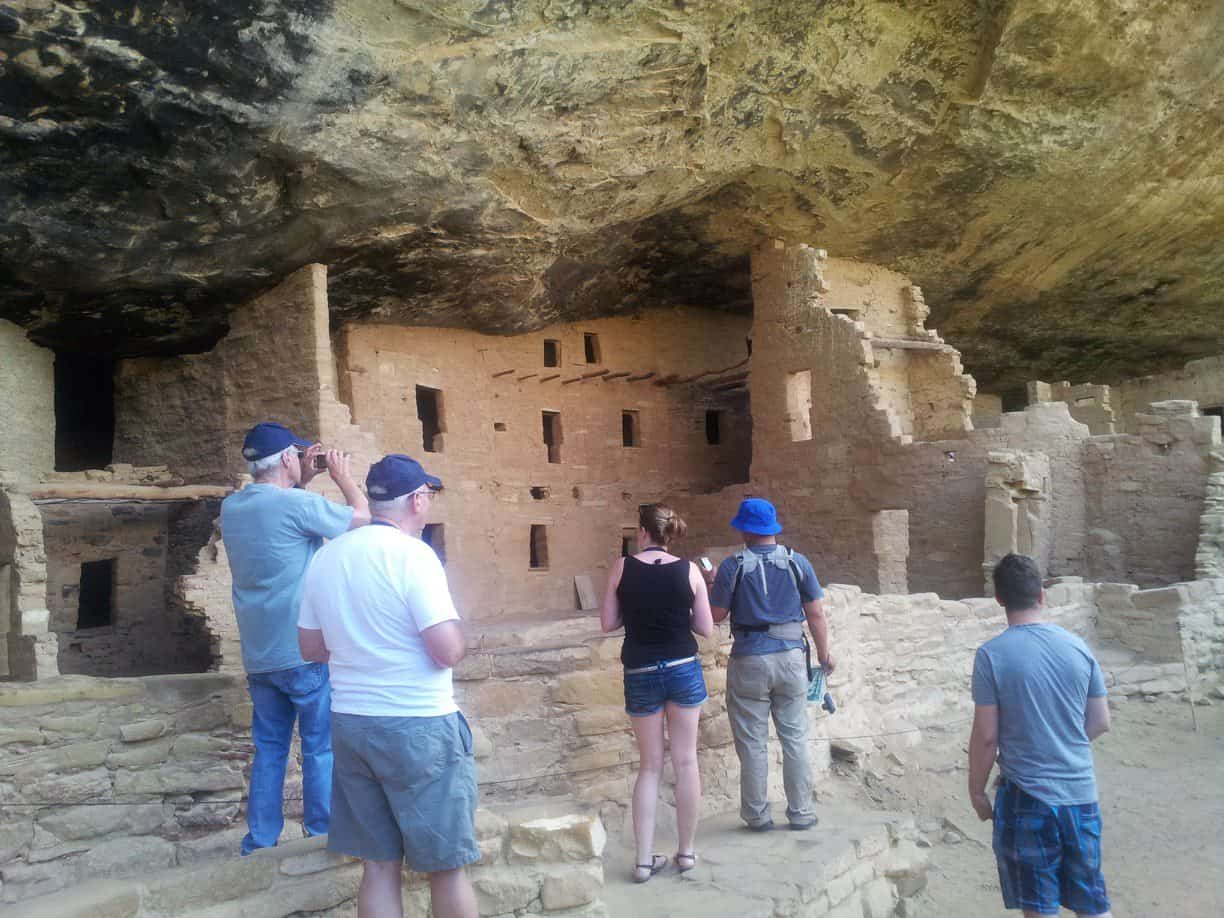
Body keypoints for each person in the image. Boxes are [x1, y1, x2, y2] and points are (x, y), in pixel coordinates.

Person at [298, 454, 478, 918]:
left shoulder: (326, 556)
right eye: (429, 496)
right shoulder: (414, 556)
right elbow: (447, 650)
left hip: (353, 722)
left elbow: (311, 648)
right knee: (447, 866)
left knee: (378, 866)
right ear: (417, 499)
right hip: (417, 724)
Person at [220, 421, 370, 855]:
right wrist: (342, 477)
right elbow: (361, 522)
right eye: (297, 455)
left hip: (259, 654)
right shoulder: (296, 505)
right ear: (287, 457)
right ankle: (319, 833)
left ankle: (260, 842)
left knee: (269, 750)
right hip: (302, 652)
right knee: (319, 747)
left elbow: (280, 504)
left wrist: (302, 474)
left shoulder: (232, 507)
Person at [969, 553, 1113, 918]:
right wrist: (1061, 745)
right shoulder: (1079, 648)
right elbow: (1100, 721)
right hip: (1080, 793)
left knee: (1040, 906)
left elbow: (987, 737)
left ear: (999, 599)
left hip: (1027, 798)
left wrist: (976, 791)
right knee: (1092, 902)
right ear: (1041, 595)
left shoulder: (992, 655)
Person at [600, 504, 714, 884]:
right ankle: (686, 853)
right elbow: (706, 629)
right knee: (685, 762)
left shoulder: (622, 567)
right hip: (682, 666)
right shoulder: (689, 570)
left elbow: (607, 622)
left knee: (649, 766)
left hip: (641, 668)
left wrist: (634, 610)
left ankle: (644, 861)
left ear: (642, 532)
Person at [705, 497, 833, 831]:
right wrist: (824, 654)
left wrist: (710, 588)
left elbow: (716, 615)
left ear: (746, 529)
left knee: (752, 743)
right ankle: (802, 812)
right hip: (791, 657)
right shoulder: (797, 562)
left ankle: (758, 816)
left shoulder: (733, 566)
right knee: (795, 738)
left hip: (750, 659)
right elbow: (816, 612)